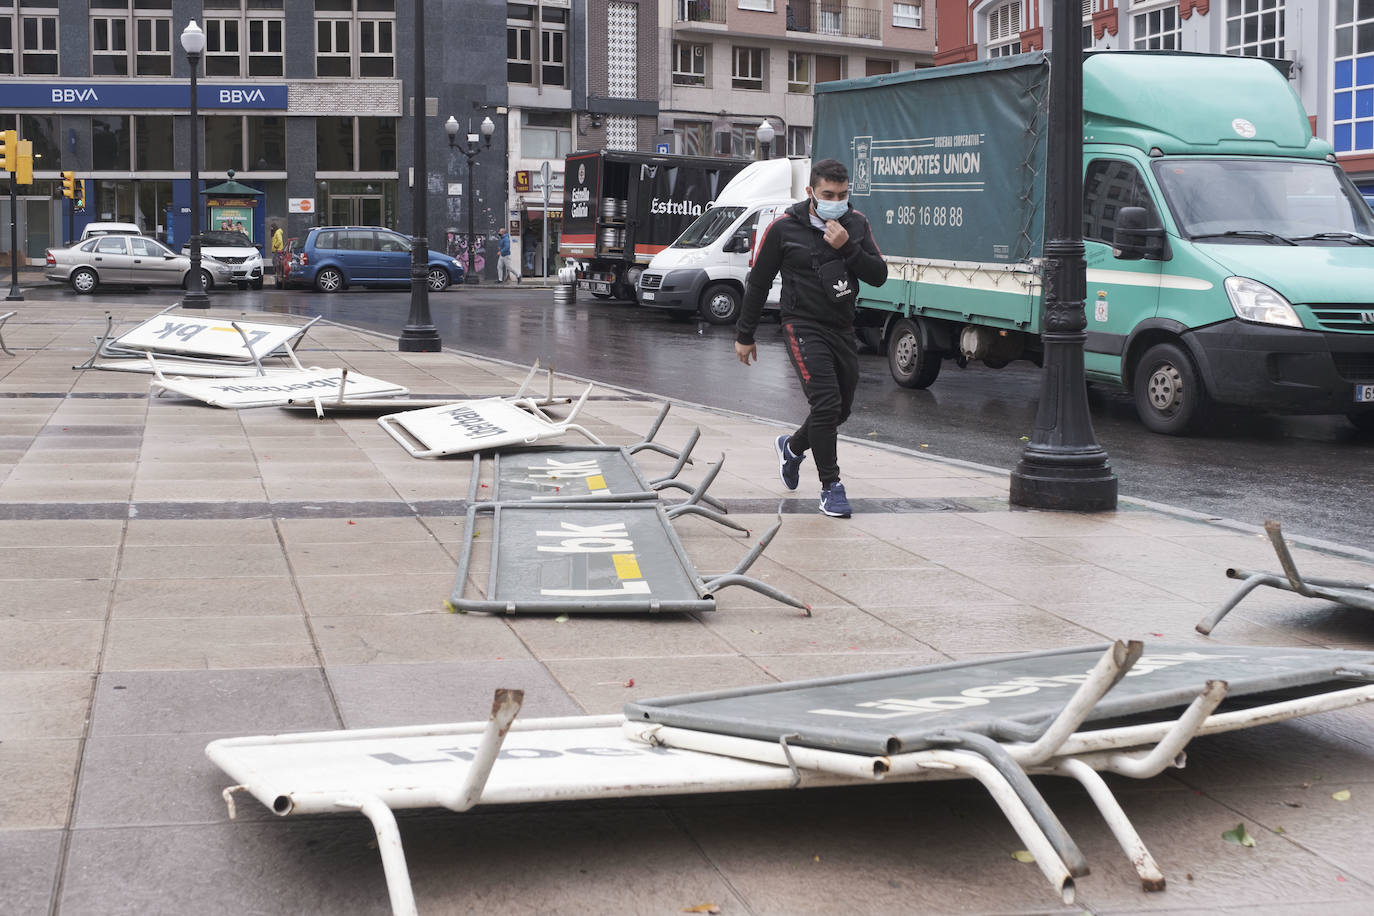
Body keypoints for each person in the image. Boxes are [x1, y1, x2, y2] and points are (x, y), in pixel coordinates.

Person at [734, 158, 888, 519]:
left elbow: (879, 275)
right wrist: (745, 334)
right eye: (828, 194)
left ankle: (792, 447)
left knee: (841, 410)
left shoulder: (857, 224)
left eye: (843, 194)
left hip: (842, 327)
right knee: (826, 403)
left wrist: (849, 246)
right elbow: (758, 282)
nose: (836, 200)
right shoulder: (784, 228)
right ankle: (831, 487)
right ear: (811, 193)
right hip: (801, 324)